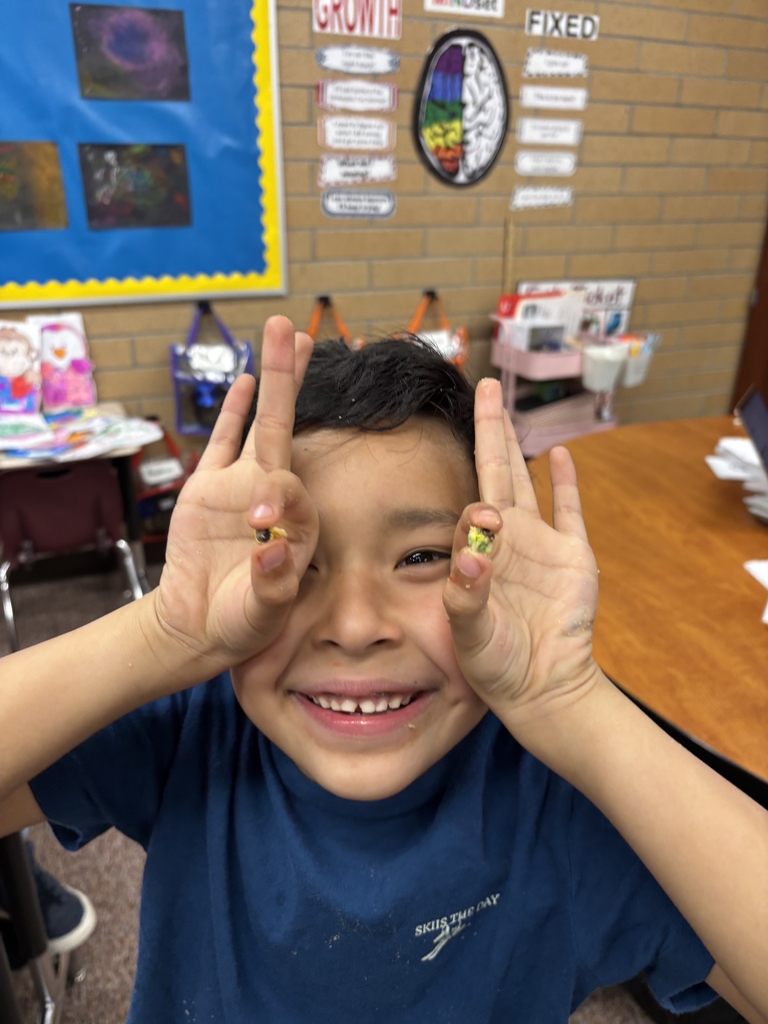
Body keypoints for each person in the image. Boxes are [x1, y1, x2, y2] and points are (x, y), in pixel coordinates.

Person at [0, 316, 766, 1024]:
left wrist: (571, 701)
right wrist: (162, 633)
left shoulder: (561, 797)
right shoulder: (195, 724)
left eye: (422, 556)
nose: (356, 626)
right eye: (294, 560)